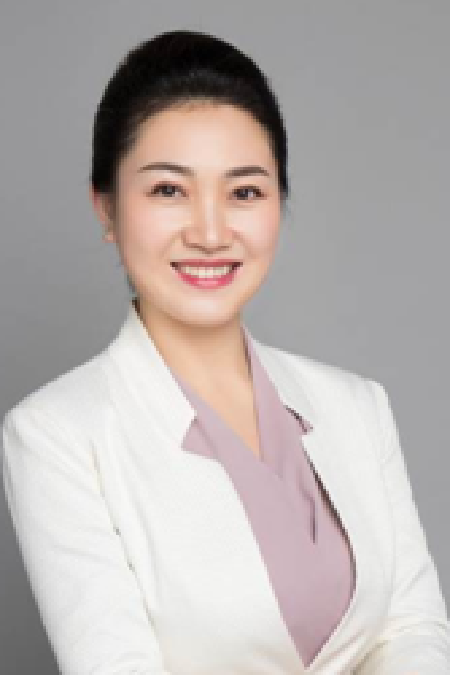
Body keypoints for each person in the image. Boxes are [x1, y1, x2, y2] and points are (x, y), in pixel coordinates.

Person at [2, 28, 449, 675]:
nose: (210, 233)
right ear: (106, 207)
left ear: (279, 202)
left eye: (244, 192)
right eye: (168, 190)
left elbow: (413, 628)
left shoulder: (357, 406)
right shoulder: (57, 434)